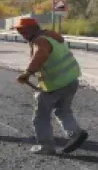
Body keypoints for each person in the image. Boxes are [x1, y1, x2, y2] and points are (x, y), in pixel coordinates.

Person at [14, 17, 88, 155]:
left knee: (41, 115)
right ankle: (75, 133)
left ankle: (45, 146)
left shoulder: (40, 41)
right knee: (63, 110)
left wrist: (27, 73)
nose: (22, 34)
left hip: (55, 85)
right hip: (71, 81)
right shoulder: (52, 36)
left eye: (23, 31)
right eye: (19, 31)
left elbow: (40, 54)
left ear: (32, 29)